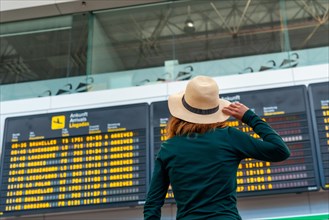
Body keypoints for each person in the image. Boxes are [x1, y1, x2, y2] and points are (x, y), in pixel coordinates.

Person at [144, 75, 290, 220]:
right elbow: (280, 151)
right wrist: (249, 117)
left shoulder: (169, 148)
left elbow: (153, 203)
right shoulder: (230, 137)